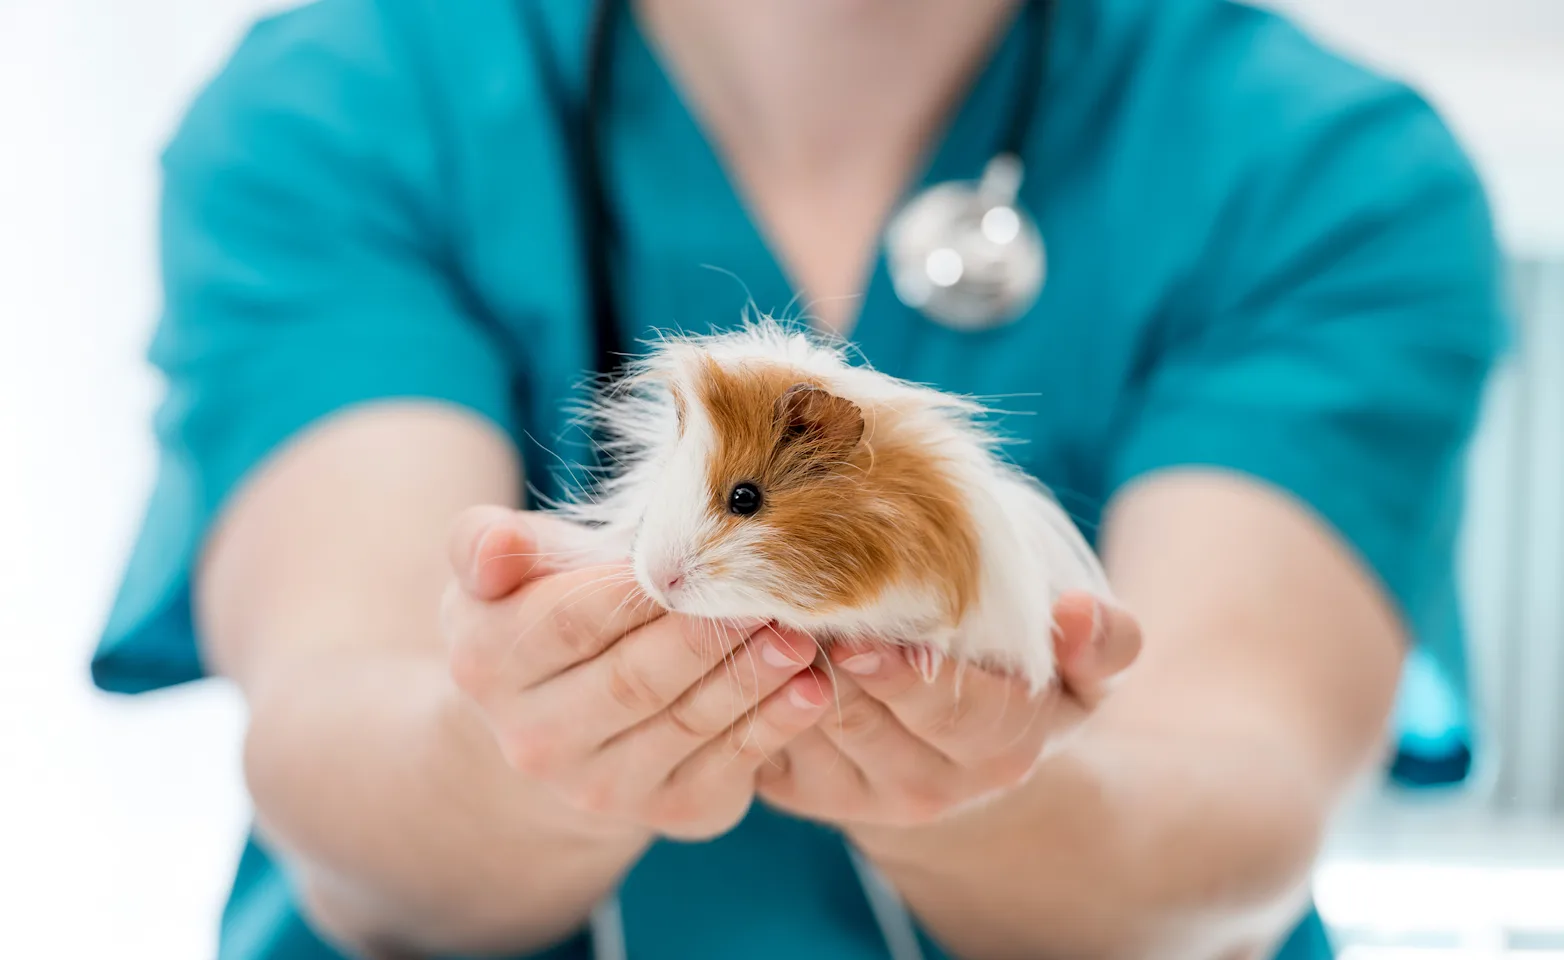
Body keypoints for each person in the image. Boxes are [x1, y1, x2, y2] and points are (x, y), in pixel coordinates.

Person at [91, 0, 1507, 957]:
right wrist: (525, 738)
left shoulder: (1319, 170)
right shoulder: (350, 100)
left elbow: (1238, 807)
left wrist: (989, 784)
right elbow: (331, 741)